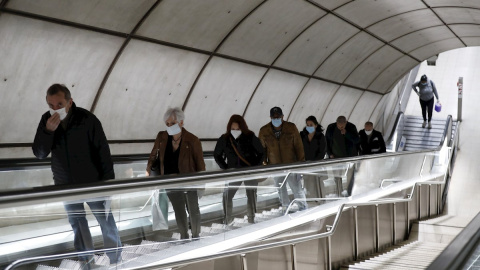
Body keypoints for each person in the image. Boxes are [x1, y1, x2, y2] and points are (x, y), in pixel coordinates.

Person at [32, 84, 122, 266]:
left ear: (70, 102)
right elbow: (39, 153)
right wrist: (48, 131)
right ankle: (87, 264)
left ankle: (117, 261)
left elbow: (103, 152)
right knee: (78, 226)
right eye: (51, 105)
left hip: (93, 182)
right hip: (66, 185)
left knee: (106, 222)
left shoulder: (87, 119)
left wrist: (108, 184)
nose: (55, 109)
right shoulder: (46, 121)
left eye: (59, 104)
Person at [146, 107, 205, 239]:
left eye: (172, 123)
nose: (169, 127)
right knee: (179, 211)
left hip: (189, 182)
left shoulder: (192, 140)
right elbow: (153, 155)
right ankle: (184, 236)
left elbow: (200, 164)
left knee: (193, 210)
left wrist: (201, 184)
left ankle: (196, 236)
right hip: (170, 181)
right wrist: (148, 171)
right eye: (167, 124)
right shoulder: (162, 137)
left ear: (181, 122)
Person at [214, 115, 264, 224]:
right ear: (229, 128)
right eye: (233, 129)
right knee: (227, 195)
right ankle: (228, 219)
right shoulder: (225, 139)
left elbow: (261, 152)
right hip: (233, 172)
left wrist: (255, 166)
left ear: (242, 128)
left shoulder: (250, 136)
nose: (235, 131)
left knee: (251, 194)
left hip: (249, 171)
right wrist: (225, 168)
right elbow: (216, 154)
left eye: (238, 129)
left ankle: (252, 218)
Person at [258, 106, 307, 212]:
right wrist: (264, 164)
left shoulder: (291, 128)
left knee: (297, 188)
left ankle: (303, 208)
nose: (276, 119)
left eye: (278, 117)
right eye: (274, 117)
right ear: (270, 117)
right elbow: (262, 149)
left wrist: (301, 163)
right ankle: (286, 208)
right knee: (280, 189)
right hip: (275, 166)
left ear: (282, 116)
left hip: (291, 165)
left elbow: (299, 146)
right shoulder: (264, 131)